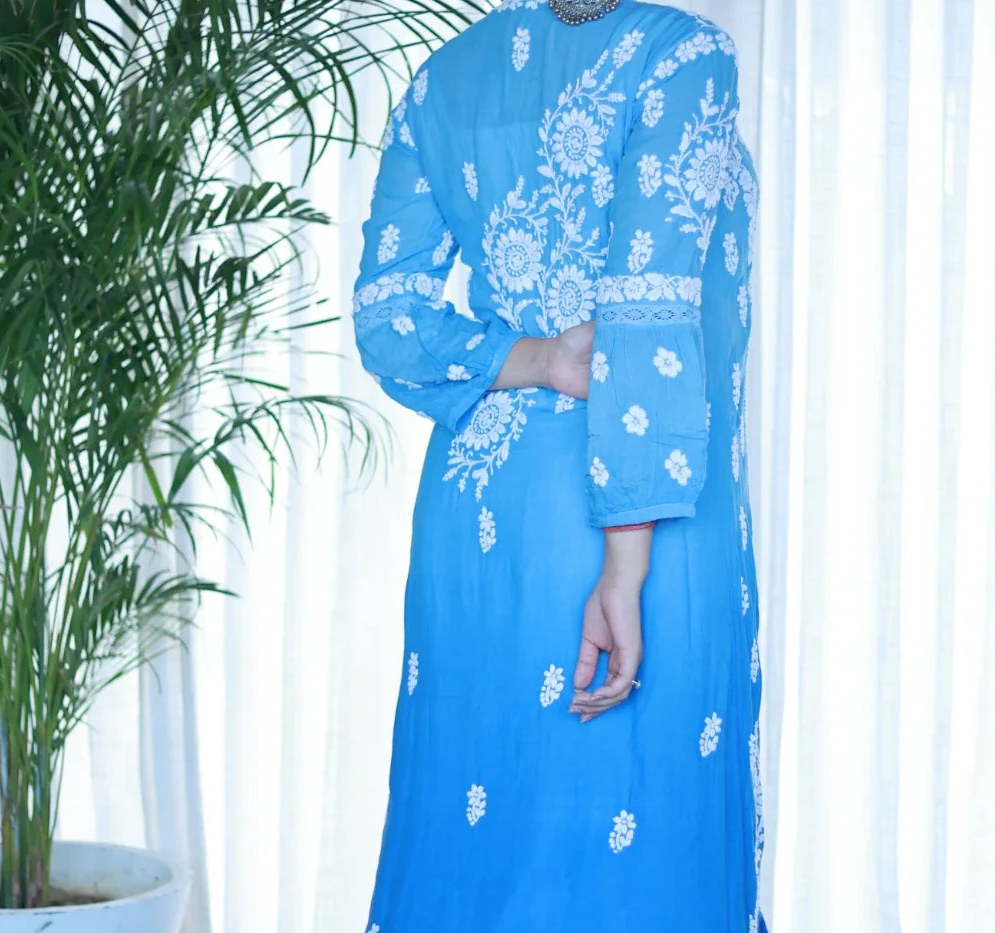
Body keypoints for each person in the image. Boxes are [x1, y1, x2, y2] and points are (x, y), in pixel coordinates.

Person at [349, 0, 765, 929]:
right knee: (637, 860)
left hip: (483, 528)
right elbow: (648, 305)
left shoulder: (445, 77)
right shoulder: (681, 56)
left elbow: (387, 315)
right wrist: (624, 564)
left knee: (486, 857)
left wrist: (534, 357)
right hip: (643, 524)